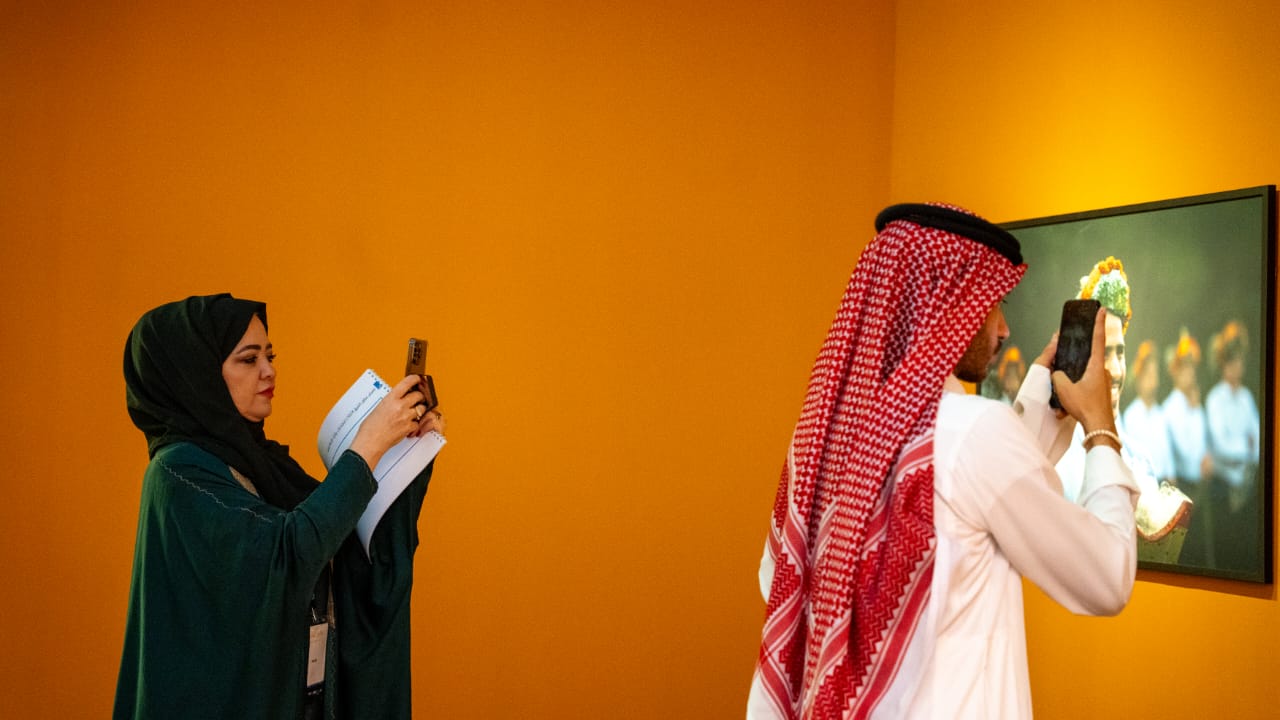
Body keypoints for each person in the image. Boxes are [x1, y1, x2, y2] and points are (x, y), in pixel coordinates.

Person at [748, 204, 1138, 720]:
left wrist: (1044, 396)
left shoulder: (834, 440)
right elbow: (1105, 577)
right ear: (946, 307)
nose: (1003, 329)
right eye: (992, 303)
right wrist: (1101, 427)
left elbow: (973, 498)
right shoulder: (971, 435)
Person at [114, 294, 443, 720]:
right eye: (248, 359)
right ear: (197, 375)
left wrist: (408, 457)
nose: (269, 370)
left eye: (269, 356)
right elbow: (288, 555)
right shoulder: (179, 474)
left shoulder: (265, 465)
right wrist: (368, 444)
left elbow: (349, 547)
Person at [1204, 319, 1260, 571]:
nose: (1238, 365)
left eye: (1240, 360)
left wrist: (1247, 448)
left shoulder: (1247, 398)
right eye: (1232, 360)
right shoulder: (1215, 399)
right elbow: (1221, 446)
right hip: (1222, 488)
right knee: (1224, 554)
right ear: (1223, 363)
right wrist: (1245, 446)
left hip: (1245, 487)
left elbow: (1258, 445)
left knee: (1244, 554)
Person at [1119, 339, 1174, 485]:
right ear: (1139, 379)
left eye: (1155, 374)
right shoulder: (1131, 415)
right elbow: (1130, 456)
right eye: (1148, 375)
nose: (1152, 380)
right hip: (1142, 482)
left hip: (1163, 482)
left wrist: (1171, 474)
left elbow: (1167, 450)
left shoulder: (1161, 414)